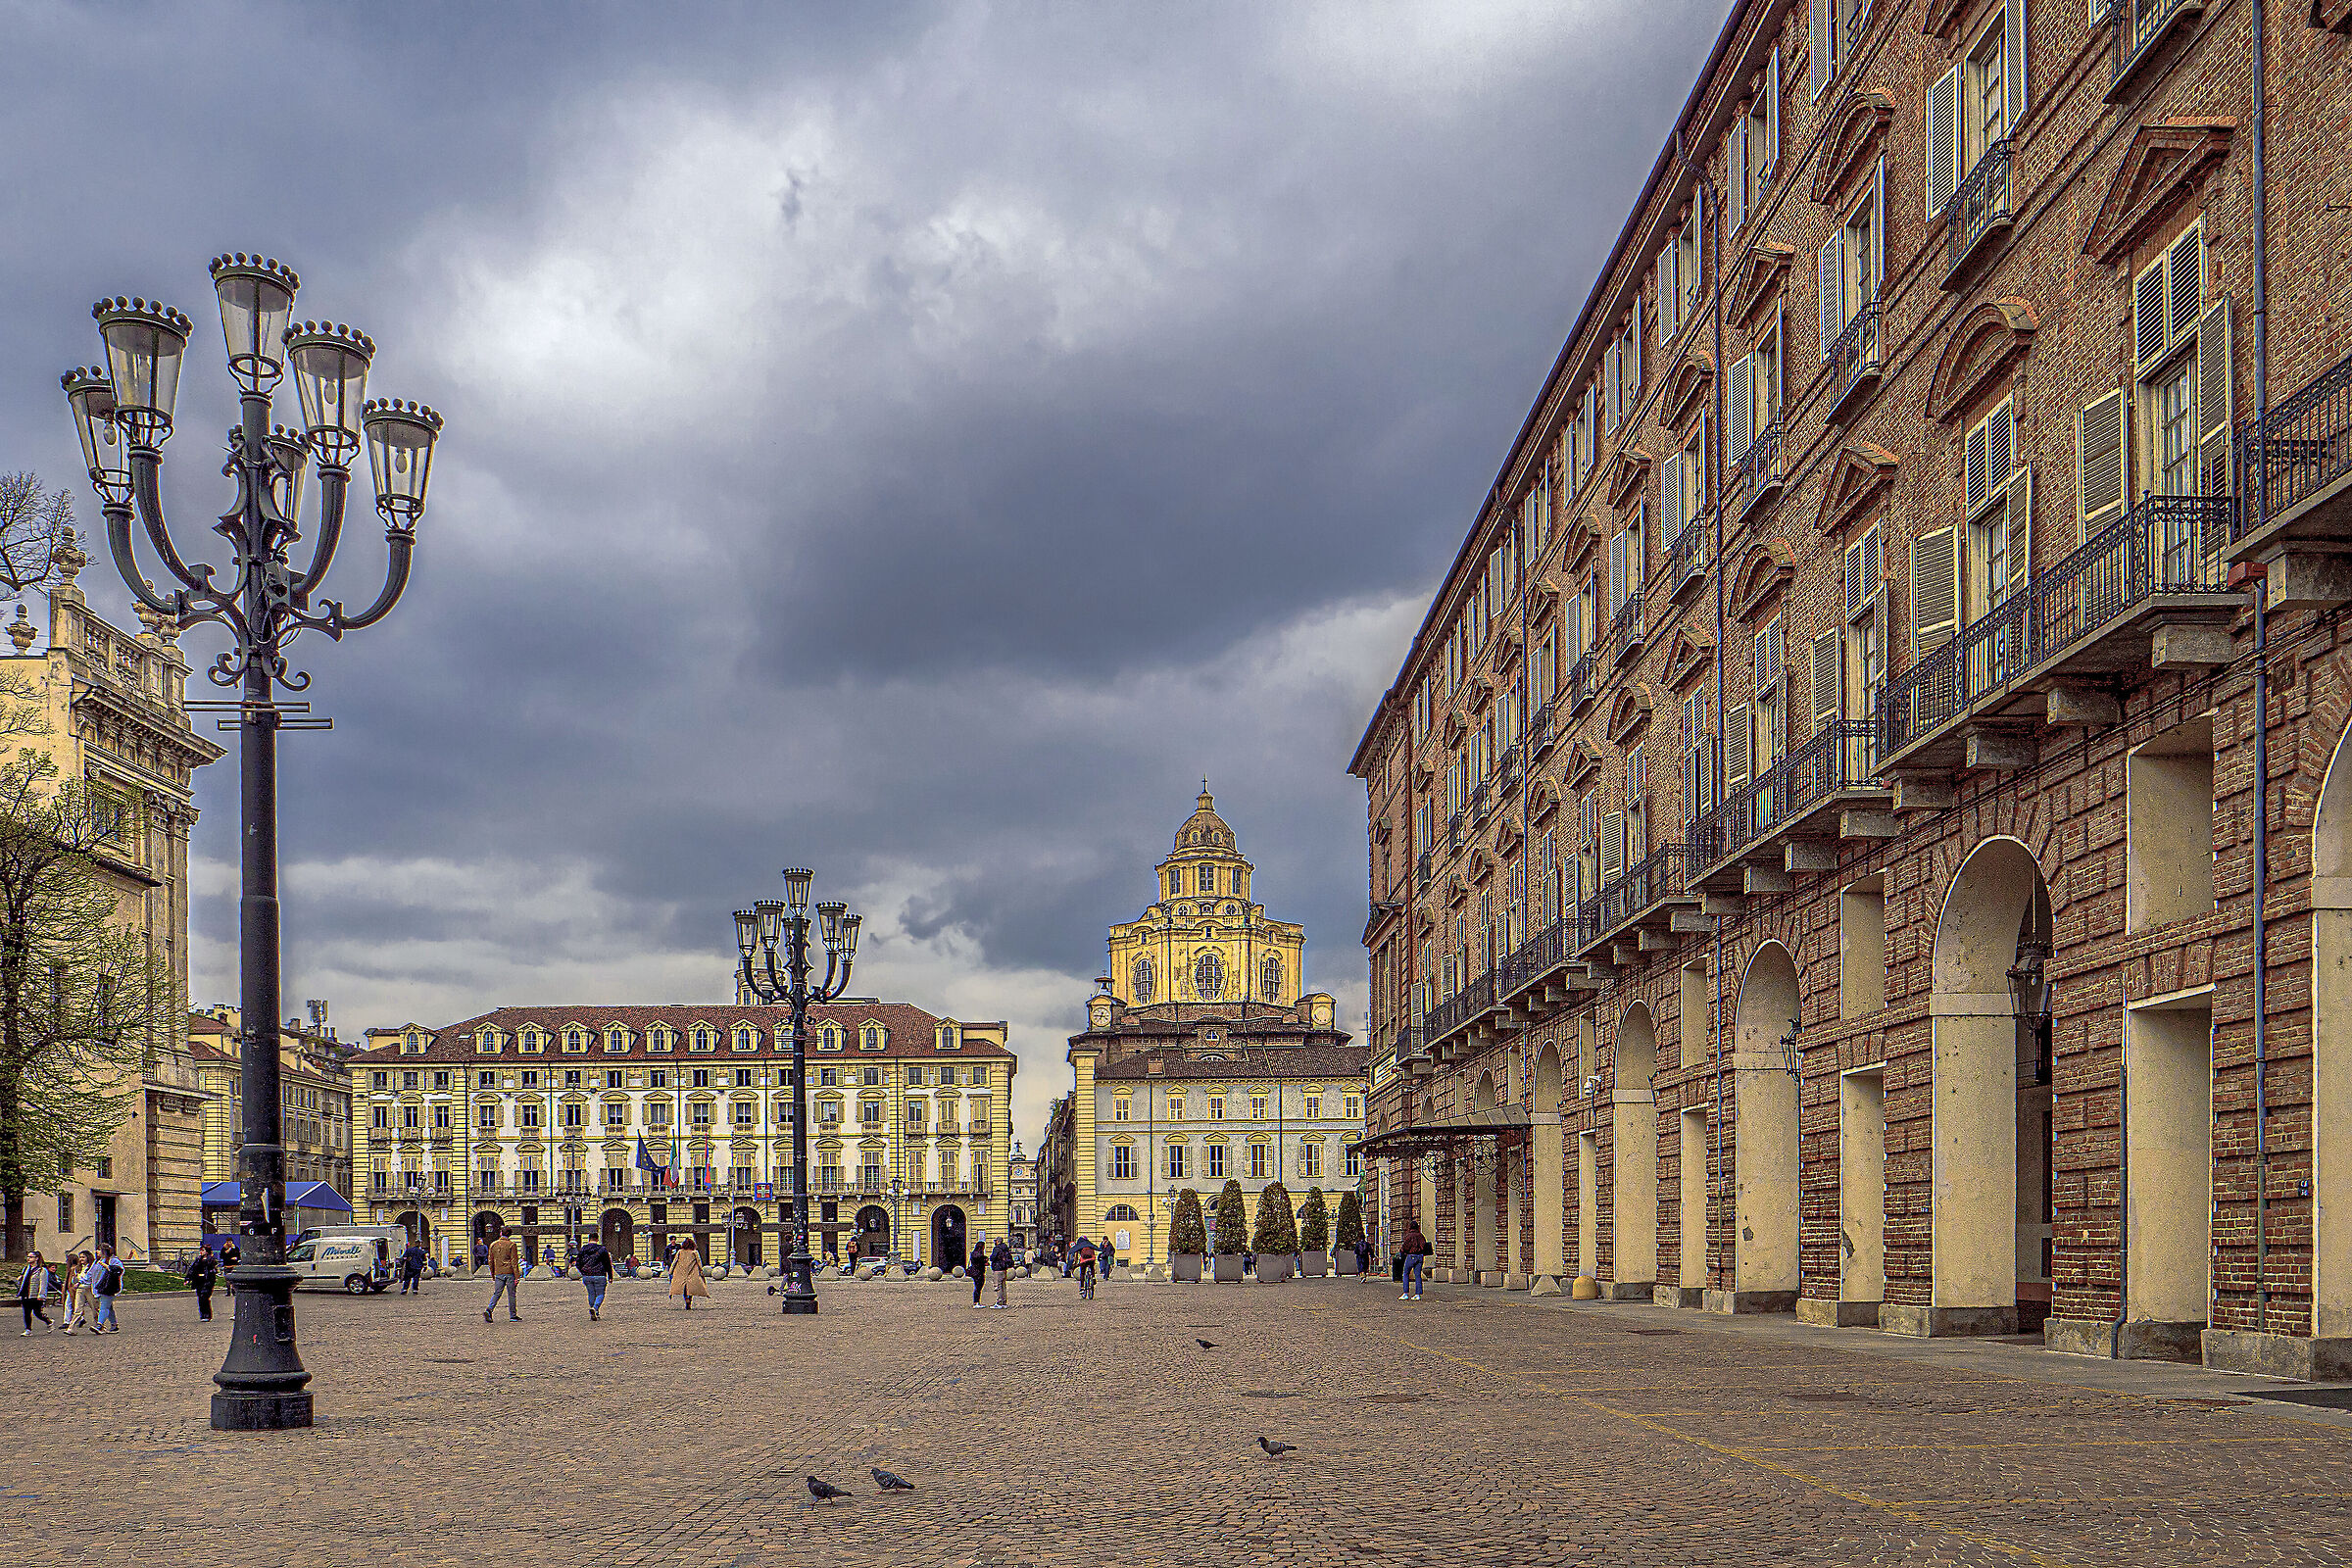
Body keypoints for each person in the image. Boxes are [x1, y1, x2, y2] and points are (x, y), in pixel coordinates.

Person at [483, 1225, 522, 1322]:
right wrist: (517, 1277)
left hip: (498, 1272)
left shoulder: (493, 1244)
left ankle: (489, 1309)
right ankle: (513, 1315)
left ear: (501, 1233)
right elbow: (514, 1262)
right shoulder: (512, 1245)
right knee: (511, 1294)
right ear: (510, 1234)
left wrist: (493, 1273)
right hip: (509, 1272)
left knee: (497, 1293)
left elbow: (490, 1261)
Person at [575, 1233, 613, 1321]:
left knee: (591, 1294)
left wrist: (583, 1271)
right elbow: (608, 1263)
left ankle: (595, 1311)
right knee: (600, 1294)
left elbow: (578, 1263)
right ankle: (595, 1308)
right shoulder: (602, 1249)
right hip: (600, 1275)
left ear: (589, 1239)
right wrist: (610, 1276)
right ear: (597, 1239)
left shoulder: (583, 1249)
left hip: (587, 1276)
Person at [17, 1251, 54, 1333]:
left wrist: (41, 1295)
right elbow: (24, 1281)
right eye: (28, 1257)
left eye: (31, 1257)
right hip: (26, 1294)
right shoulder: (26, 1269)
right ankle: (28, 1329)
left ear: (36, 1258)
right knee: (26, 1312)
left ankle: (48, 1321)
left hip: (35, 1295)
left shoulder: (42, 1270)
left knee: (37, 1313)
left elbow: (43, 1283)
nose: (29, 1258)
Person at [89, 1245, 122, 1333]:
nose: (97, 1252)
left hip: (109, 1288)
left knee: (104, 1306)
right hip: (100, 1287)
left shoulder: (114, 1261)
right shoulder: (98, 1261)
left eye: (99, 1250)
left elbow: (118, 1271)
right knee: (108, 1307)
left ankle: (99, 1325)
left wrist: (107, 1266)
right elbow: (91, 1273)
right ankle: (114, 1325)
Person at [669, 1239, 708, 1309]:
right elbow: (699, 1262)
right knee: (691, 1287)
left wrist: (671, 1271)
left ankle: (686, 1298)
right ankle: (690, 1299)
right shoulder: (694, 1252)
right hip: (692, 1271)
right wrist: (701, 1270)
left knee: (683, 1287)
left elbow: (674, 1261)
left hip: (681, 1272)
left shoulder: (680, 1252)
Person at [186, 1247, 218, 1323]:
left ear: (206, 1251)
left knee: (205, 1297)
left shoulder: (211, 1259)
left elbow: (212, 1270)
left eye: (203, 1250)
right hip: (198, 1281)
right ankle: (202, 1314)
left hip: (207, 1281)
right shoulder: (198, 1260)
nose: (201, 1252)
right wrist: (188, 1279)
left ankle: (207, 1315)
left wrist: (211, 1279)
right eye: (200, 1250)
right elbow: (192, 1269)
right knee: (200, 1298)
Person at [1400, 1221, 1429, 1301]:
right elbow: (1424, 1245)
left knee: (1406, 1273)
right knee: (1418, 1275)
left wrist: (1403, 1251)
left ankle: (1406, 1293)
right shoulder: (1421, 1235)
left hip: (1411, 1256)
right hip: (1420, 1256)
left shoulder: (1409, 1236)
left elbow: (1405, 1246)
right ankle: (1418, 1294)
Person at [988, 1237, 1013, 1309]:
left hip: (997, 1268)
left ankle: (999, 1302)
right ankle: (1004, 1302)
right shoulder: (1005, 1248)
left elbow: (992, 1257)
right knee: (1003, 1286)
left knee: (998, 1286)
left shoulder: (997, 1248)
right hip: (1004, 1269)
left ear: (998, 1242)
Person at [1073, 1236, 1097, 1301]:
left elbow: (1076, 1254)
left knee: (1082, 1273)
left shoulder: (1080, 1245)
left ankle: (1082, 1287)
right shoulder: (1089, 1244)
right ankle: (1093, 1277)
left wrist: (1075, 1262)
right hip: (1092, 1259)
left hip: (1084, 1260)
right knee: (1092, 1268)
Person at [968, 1239, 988, 1308]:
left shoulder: (974, 1253)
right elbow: (979, 1260)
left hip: (977, 1272)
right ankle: (976, 1302)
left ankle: (977, 1302)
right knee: (978, 1287)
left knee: (978, 1287)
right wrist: (984, 1259)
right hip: (977, 1272)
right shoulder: (978, 1253)